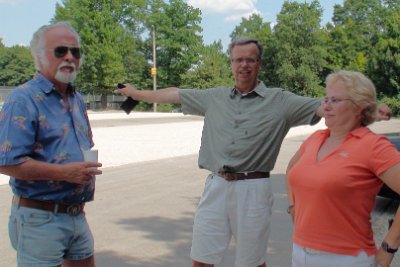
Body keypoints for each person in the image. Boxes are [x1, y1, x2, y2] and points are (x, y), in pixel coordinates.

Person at [114, 38, 390, 267]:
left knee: (251, 262)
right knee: (201, 258)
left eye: (250, 59)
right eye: (238, 59)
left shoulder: (281, 101)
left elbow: (327, 106)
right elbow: (174, 94)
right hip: (215, 186)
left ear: (259, 64)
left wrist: (370, 111)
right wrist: (138, 94)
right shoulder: (214, 97)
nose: (244, 65)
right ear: (231, 63)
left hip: (253, 188)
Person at [0, 21, 102, 267]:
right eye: (60, 51)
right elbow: (7, 162)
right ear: (39, 56)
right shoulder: (23, 99)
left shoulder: (77, 99)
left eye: (75, 52)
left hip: (76, 214)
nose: (69, 57)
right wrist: (65, 173)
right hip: (40, 218)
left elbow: (83, 145)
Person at [286, 70, 400, 267]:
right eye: (326, 99)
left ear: (359, 107)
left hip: (347, 259)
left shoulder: (373, 146)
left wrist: (389, 247)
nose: (326, 106)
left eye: (335, 100)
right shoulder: (316, 138)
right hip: (300, 252)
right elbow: (291, 171)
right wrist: (292, 206)